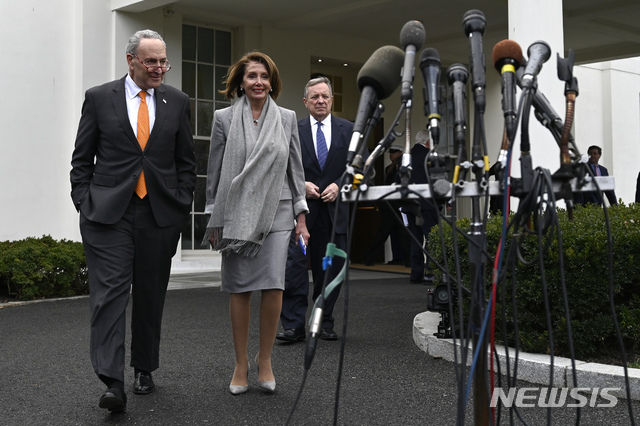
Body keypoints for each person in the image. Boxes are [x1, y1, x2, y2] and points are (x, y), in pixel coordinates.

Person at [70, 30, 196, 412]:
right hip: (108, 214)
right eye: (151, 61)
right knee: (109, 296)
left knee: (149, 293)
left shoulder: (177, 101)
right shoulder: (98, 98)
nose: (159, 68)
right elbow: (81, 160)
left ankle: (144, 367)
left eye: (163, 61)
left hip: (159, 213)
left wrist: (180, 205)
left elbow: (186, 162)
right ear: (131, 61)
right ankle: (113, 381)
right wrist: (84, 203)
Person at [204, 52, 309, 395]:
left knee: (274, 285)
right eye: (252, 76)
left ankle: (265, 361)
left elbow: (296, 169)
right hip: (235, 211)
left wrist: (301, 215)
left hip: (276, 213)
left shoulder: (288, 118)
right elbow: (215, 171)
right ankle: (240, 364)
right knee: (239, 287)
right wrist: (212, 216)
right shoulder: (223, 118)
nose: (258, 82)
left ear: (272, 81)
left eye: (264, 76)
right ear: (241, 81)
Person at [277, 76, 353, 343]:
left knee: (329, 268)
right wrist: (301, 184)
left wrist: (339, 184)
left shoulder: (349, 130)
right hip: (302, 216)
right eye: (315, 97)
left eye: (325, 96)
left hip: (334, 216)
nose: (320, 101)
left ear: (332, 100)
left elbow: (360, 169)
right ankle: (294, 325)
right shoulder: (292, 130)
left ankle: (324, 321)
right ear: (305, 102)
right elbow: (281, 166)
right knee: (295, 268)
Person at [363, 144, 411, 266]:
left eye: (394, 152)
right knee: (384, 233)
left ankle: (408, 260)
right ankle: (369, 258)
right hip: (390, 206)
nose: (391, 154)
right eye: (391, 152)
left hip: (399, 205)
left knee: (403, 234)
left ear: (400, 153)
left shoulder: (404, 166)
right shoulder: (389, 169)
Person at [404, 129, 440, 284]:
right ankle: (431, 273)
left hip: (410, 203)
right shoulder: (430, 157)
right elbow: (437, 180)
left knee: (416, 239)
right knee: (431, 238)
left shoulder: (406, 157)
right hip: (427, 203)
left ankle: (416, 273)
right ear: (427, 142)